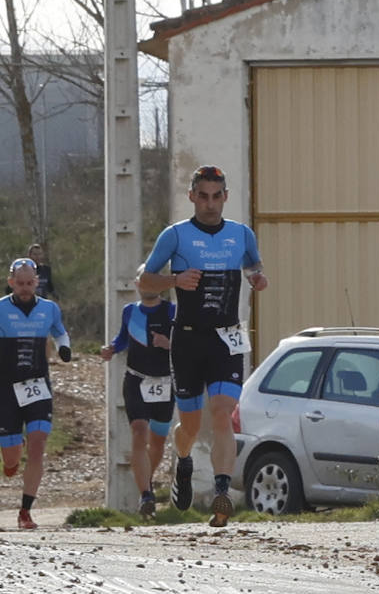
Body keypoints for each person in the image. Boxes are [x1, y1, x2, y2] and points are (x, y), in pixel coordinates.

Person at [139, 165, 268, 528]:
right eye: (204, 196)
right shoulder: (176, 235)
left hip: (227, 336)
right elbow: (143, 281)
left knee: (223, 413)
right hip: (189, 338)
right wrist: (174, 279)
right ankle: (182, 461)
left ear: (225, 197)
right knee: (191, 426)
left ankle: (221, 491)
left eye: (217, 196)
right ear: (192, 196)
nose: (210, 204)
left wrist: (258, 278)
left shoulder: (241, 234)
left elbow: (254, 269)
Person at [0, 257, 72, 530]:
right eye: (19, 283)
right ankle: (13, 452)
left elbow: (60, 333)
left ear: (37, 282)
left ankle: (25, 510)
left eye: (29, 283)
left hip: (38, 385)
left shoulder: (49, 309)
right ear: (10, 282)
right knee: (11, 459)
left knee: (38, 444)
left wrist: (63, 347)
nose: (25, 288)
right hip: (6, 387)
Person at [101, 266, 176, 518]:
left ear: (161, 284)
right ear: (136, 284)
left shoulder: (172, 311)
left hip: (165, 383)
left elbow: (187, 345)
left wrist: (168, 343)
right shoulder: (129, 311)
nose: (147, 286)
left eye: (152, 282)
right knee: (139, 431)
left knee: (158, 442)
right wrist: (111, 348)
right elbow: (123, 338)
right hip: (136, 380)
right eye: (142, 282)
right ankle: (146, 495)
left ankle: (147, 482)